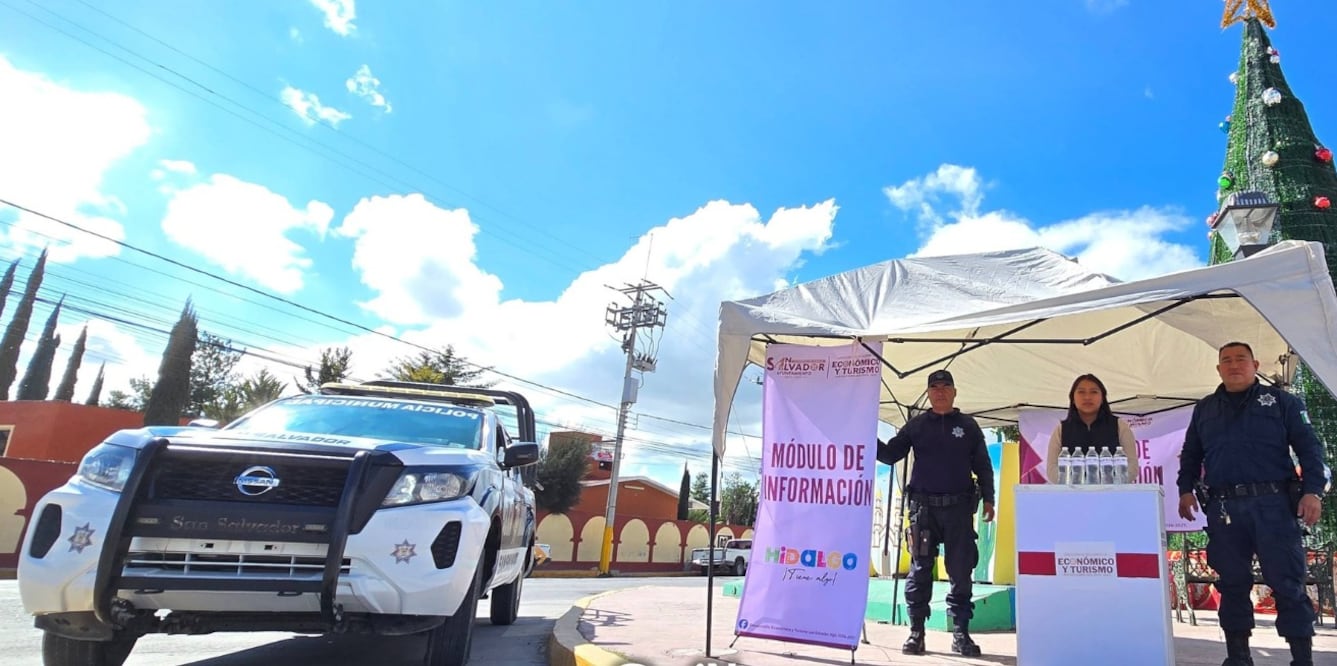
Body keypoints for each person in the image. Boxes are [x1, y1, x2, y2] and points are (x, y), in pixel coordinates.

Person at [1177, 342, 1325, 666]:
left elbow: (1311, 450)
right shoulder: (1205, 409)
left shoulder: (1283, 402)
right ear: (1218, 369)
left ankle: (1302, 659)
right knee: (1231, 583)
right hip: (1225, 508)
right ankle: (1239, 658)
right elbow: (1190, 455)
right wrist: (1184, 489)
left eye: (1240, 359)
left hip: (1274, 506)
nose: (1234, 365)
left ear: (1255, 364)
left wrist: (1314, 491)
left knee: (1288, 582)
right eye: (1226, 360)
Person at [878, 369, 995, 657]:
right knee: (919, 571)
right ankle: (916, 633)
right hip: (923, 510)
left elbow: (982, 465)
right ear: (928, 393)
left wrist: (990, 499)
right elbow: (891, 455)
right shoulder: (916, 425)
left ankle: (961, 635)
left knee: (961, 571)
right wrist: (863, 432)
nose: (940, 391)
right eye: (935, 387)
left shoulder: (968, 426)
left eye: (946, 387)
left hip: (959, 510)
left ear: (955, 392)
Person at [1045, 373, 1138, 483]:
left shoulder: (1119, 426)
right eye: (1081, 392)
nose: (1087, 397)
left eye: (1094, 392)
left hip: (1112, 495)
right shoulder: (1062, 429)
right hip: (1073, 495)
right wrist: (1075, 486)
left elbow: (1132, 465)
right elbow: (1052, 468)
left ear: (1103, 398)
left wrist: (1110, 485)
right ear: (1073, 398)